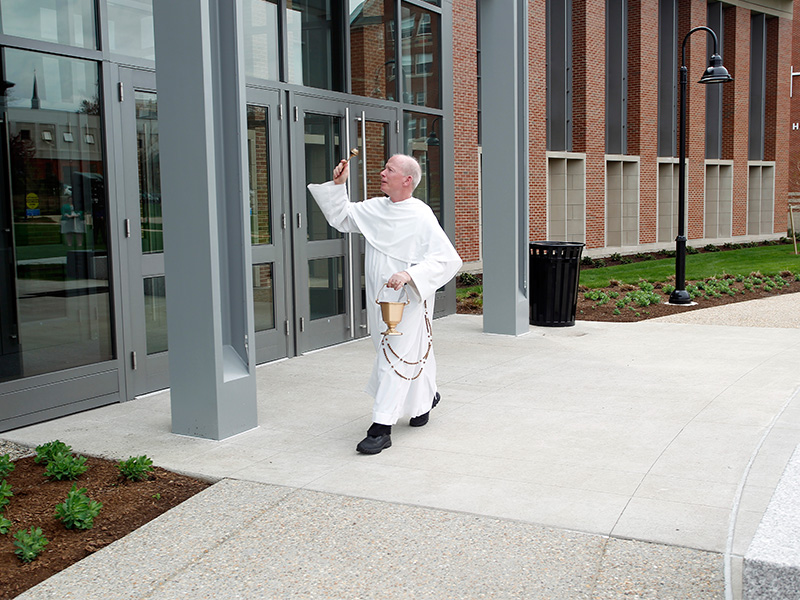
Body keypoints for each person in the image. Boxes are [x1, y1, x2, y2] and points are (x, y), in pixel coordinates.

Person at [308, 154, 462, 454]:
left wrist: (410, 274)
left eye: (389, 169)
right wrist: (339, 184)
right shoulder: (375, 208)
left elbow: (448, 259)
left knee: (394, 355)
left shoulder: (421, 215)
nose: (381, 172)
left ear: (407, 180)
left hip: (408, 299)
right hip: (379, 298)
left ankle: (381, 427)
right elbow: (341, 217)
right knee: (399, 351)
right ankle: (423, 399)